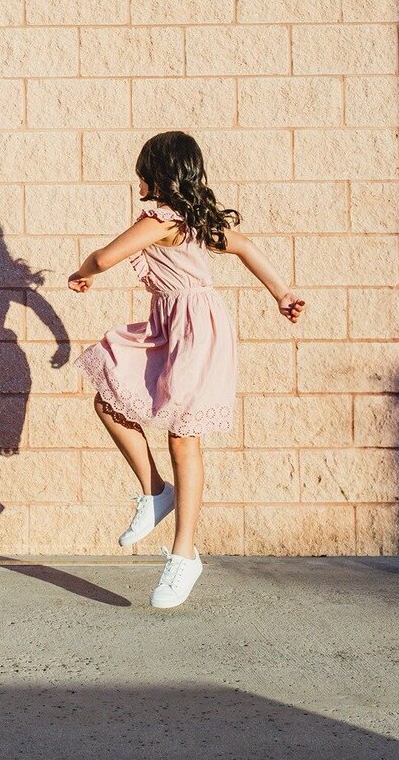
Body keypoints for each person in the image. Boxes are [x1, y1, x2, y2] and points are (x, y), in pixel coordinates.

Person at [70, 131, 304, 608]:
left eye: (142, 169)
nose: (136, 178)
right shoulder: (192, 220)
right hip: (167, 325)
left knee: (183, 435)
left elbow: (106, 255)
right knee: (109, 397)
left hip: (195, 332)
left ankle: (183, 556)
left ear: (159, 175)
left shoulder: (160, 220)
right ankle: (156, 491)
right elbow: (244, 246)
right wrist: (281, 292)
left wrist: (84, 272)